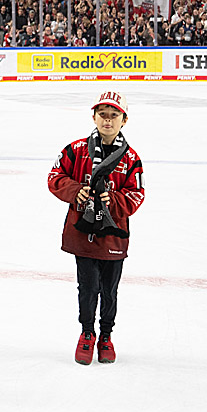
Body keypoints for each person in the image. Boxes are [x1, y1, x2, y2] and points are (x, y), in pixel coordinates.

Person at [47, 91, 145, 365]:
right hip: (83, 232)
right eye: (103, 114)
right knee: (87, 287)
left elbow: (137, 194)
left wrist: (113, 201)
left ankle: (106, 335)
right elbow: (55, 176)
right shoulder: (76, 149)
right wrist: (74, 190)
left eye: (114, 115)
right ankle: (87, 333)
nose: (108, 120)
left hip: (114, 235)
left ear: (124, 120)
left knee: (110, 289)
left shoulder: (132, 158)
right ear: (94, 117)